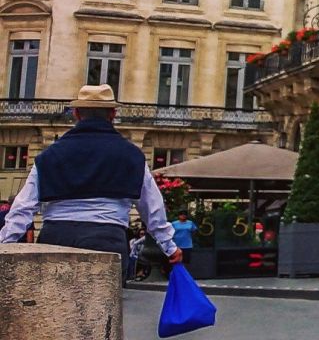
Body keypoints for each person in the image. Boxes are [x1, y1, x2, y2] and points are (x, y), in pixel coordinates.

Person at [0, 85, 184, 268]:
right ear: (113, 114)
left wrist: (4, 243)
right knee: (104, 297)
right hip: (107, 238)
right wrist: (169, 246)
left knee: (56, 296)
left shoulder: (49, 156)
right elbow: (152, 207)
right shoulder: (131, 155)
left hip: (56, 237)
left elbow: (23, 207)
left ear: (76, 114)